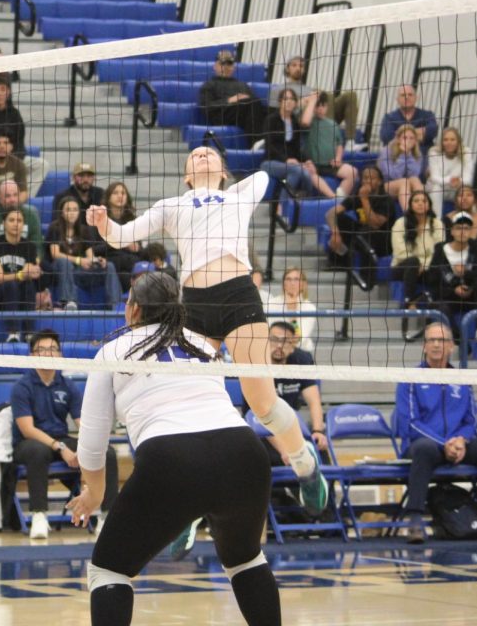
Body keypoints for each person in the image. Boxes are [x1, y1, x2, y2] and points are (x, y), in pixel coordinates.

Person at [89, 146, 329, 519]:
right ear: (186, 174)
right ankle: (188, 504)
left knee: (262, 402)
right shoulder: (172, 205)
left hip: (237, 296)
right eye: (195, 154)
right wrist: (103, 223)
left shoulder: (240, 194)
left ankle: (305, 465)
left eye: (210, 154)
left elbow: (266, 174)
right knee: (190, 405)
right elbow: (121, 237)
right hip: (195, 306)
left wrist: (229, 187)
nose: (202, 154)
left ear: (223, 170)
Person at [66, 272, 281, 626]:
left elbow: (91, 441)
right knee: (245, 560)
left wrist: (94, 494)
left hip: (173, 460)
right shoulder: (203, 345)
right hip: (243, 453)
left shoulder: (113, 350)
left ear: (132, 310)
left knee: (109, 571)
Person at [393, 323, 477, 543]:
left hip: (459, 445)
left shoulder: (461, 378)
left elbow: (470, 421)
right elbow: (410, 424)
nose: (436, 345)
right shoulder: (410, 378)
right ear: (424, 346)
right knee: (423, 448)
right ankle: (414, 520)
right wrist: (445, 444)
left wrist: (460, 440)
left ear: (451, 346)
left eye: (441, 341)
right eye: (431, 340)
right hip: (426, 445)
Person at [12, 329, 117, 540]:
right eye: (41, 350)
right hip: (30, 443)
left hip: (61, 438)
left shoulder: (67, 385)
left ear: (60, 355)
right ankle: (39, 516)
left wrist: (88, 446)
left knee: (107, 452)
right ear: (32, 356)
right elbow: (27, 429)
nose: (47, 354)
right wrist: (61, 448)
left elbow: (82, 423)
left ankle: (107, 518)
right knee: (37, 451)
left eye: (52, 349)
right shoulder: (22, 387)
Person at [262, 322, 327, 464]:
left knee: (320, 452)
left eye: (285, 341)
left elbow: (314, 401)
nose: (279, 346)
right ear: (266, 342)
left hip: (290, 425)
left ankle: (326, 487)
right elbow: (256, 417)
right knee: (273, 458)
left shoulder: (301, 360)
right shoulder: (256, 364)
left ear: (292, 346)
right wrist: (284, 449)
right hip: (263, 428)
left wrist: (318, 431)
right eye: (274, 340)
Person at [326, 165, 396, 288]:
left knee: (367, 233)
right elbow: (330, 213)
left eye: (372, 178)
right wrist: (335, 233)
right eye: (365, 178)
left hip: (384, 240)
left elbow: (375, 224)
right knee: (341, 219)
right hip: (364, 235)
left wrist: (364, 200)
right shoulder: (357, 195)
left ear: (379, 182)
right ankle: (340, 263)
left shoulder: (386, 200)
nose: (367, 181)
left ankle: (367, 280)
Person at [0, 75, 47, 198]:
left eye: (3, 89)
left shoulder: (15, 114)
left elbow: (20, 142)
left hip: (13, 158)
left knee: (42, 164)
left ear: (8, 92)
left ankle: (24, 198)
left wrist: (14, 159)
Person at [47, 197, 121, 310]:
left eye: (75, 210)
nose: (72, 213)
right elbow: (55, 254)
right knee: (64, 261)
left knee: (108, 266)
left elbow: (90, 256)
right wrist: (79, 260)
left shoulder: (84, 230)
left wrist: (97, 261)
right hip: (60, 271)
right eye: (68, 210)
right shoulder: (54, 228)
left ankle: (115, 305)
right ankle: (69, 302)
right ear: (61, 213)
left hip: (78, 272)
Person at [0, 207, 47, 341]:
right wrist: (20, 275)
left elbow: (29, 273)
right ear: (4, 224)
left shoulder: (29, 246)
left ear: (23, 225)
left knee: (29, 285)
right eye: (11, 220)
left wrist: (34, 272)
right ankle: (13, 332)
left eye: (19, 220)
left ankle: (29, 333)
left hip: (18, 296)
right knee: (11, 285)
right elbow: (0, 278)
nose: (15, 223)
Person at [269, 56, 360, 147]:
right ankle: (329, 139)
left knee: (348, 95)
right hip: (300, 120)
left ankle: (350, 142)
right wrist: (299, 104)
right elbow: (274, 115)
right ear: (287, 69)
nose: (298, 68)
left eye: (301, 66)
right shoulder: (277, 90)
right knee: (320, 94)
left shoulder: (310, 90)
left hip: (320, 117)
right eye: (294, 65)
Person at [426, 211, 477, 339]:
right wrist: (453, 290)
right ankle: (458, 339)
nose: (462, 232)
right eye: (458, 228)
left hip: (471, 296)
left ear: (471, 231)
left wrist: (466, 274)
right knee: (439, 306)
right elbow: (432, 280)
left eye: (466, 228)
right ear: (452, 231)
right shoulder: (440, 250)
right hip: (448, 297)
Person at [261, 87, 329, 197]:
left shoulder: (295, 122)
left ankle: (303, 201)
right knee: (297, 171)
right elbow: (270, 146)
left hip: (291, 164)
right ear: (280, 102)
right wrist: (286, 160)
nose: (288, 102)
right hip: (271, 161)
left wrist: (307, 161)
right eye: (285, 99)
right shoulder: (271, 120)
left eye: (292, 99)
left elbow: (296, 149)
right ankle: (281, 206)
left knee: (306, 172)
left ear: (295, 103)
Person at [0, 179, 44, 278]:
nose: (12, 199)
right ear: (0, 198)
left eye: (15, 195)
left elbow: (37, 244)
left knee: (45, 269)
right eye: (8, 196)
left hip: (24, 258)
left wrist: (34, 263)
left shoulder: (31, 214)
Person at [197, 50, 268, 146]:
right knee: (252, 104)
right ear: (215, 66)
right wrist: (230, 100)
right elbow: (206, 107)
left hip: (244, 113)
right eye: (223, 63)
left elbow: (255, 102)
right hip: (222, 115)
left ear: (233, 67)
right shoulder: (209, 85)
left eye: (229, 63)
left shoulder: (243, 85)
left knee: (271, 110)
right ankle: (257, 142)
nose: (226, 66)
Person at [391, 191, 443, 309]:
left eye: (424, 201)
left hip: (427, 267)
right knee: (413, 262)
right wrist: (417, 264)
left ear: (429, 205)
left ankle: (423, 301)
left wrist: (423, 266)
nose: (420, 204)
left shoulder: (437, 224)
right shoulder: (400, 223)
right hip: (401, 267)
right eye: (416, 201)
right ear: (410, 205)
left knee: (441, 270)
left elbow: (438, 252)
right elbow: (400, 252)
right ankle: (407, 302)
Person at [301, 92, 357, 198]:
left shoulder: (333, 124)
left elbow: (339, 144)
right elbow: (305, 122)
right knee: (310, 173)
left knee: (352, 172)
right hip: (313, 164)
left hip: (329, 164)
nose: (321, 109)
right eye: (318, 106)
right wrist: (310, 101)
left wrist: (338, 157)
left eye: (324, 106)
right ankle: (332, 198)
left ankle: (340, 196)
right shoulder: (309, 121)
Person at [102, 182, 146, 292]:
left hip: (130, 262)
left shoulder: (132, 219)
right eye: (115, 193)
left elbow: (139, 248)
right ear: (108, 197)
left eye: (123, 193)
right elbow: (95, 248)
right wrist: (122, 242)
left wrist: (137, 247)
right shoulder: (101, 219)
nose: (120, 196)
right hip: (110, 260)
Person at [263, 267, 317, 352]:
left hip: (298, 350)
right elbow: (268, 333)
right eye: (288, 279)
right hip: (273, 349)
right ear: (283, 284)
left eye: (296, 279)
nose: (292, 283)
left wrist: (292, 312)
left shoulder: (309, 308)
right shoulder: (271, 304)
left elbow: (299, 341)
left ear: (304, 284)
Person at [425, 127, 474, 216]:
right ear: (442, 142)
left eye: (452, 140)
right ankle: (437, 222)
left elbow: (468, 178)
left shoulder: (466, 152)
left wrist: (460, 181)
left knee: (467, 192)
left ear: (458, 141)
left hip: (457, 187)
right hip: (438, 187)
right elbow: (434, 177)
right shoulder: (434, 152)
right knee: (436, 188)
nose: (449, 143)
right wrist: (450, 180)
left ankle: (470, 221)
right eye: (446, 140)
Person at [379, 124, 426, 213]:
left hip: (406, 186)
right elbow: (394, 176)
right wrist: (402, 155)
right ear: (398, 139)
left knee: (415, 180)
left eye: (411, 138)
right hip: (386, 186)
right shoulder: (387, 151)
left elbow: (414, 174)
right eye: (405, 138)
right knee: (404, 181)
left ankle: (422, 212)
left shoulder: (417, 154)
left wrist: (408, 155)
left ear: (415, 140)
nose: (408, 141)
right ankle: (409, 214)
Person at [379, 84, 439, 152]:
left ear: (416, 98)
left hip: (423, 156)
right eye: (403, 95)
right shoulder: (389, 118)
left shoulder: (427, 115)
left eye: (410, 94)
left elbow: (432, 132)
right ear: (397, 99)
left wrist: (400, 134)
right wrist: (419, 133)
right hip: (397, 156)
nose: (407, 97)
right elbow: (387, 137)